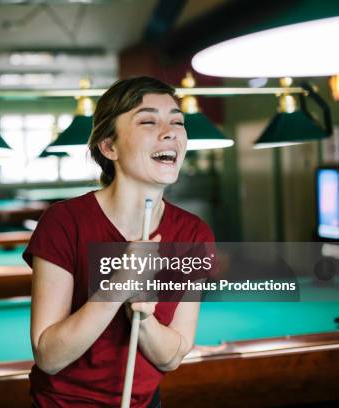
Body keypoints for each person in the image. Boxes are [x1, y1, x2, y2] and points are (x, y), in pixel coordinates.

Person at [23, 76, 215, 407]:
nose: (169, 131)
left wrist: (144, 318)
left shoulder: (193, 235)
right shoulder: (64, 222)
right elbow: (49, 356)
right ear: (109, 147)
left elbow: (171, 358)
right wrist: (116, 288)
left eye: (177, 121)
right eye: (148, 120)